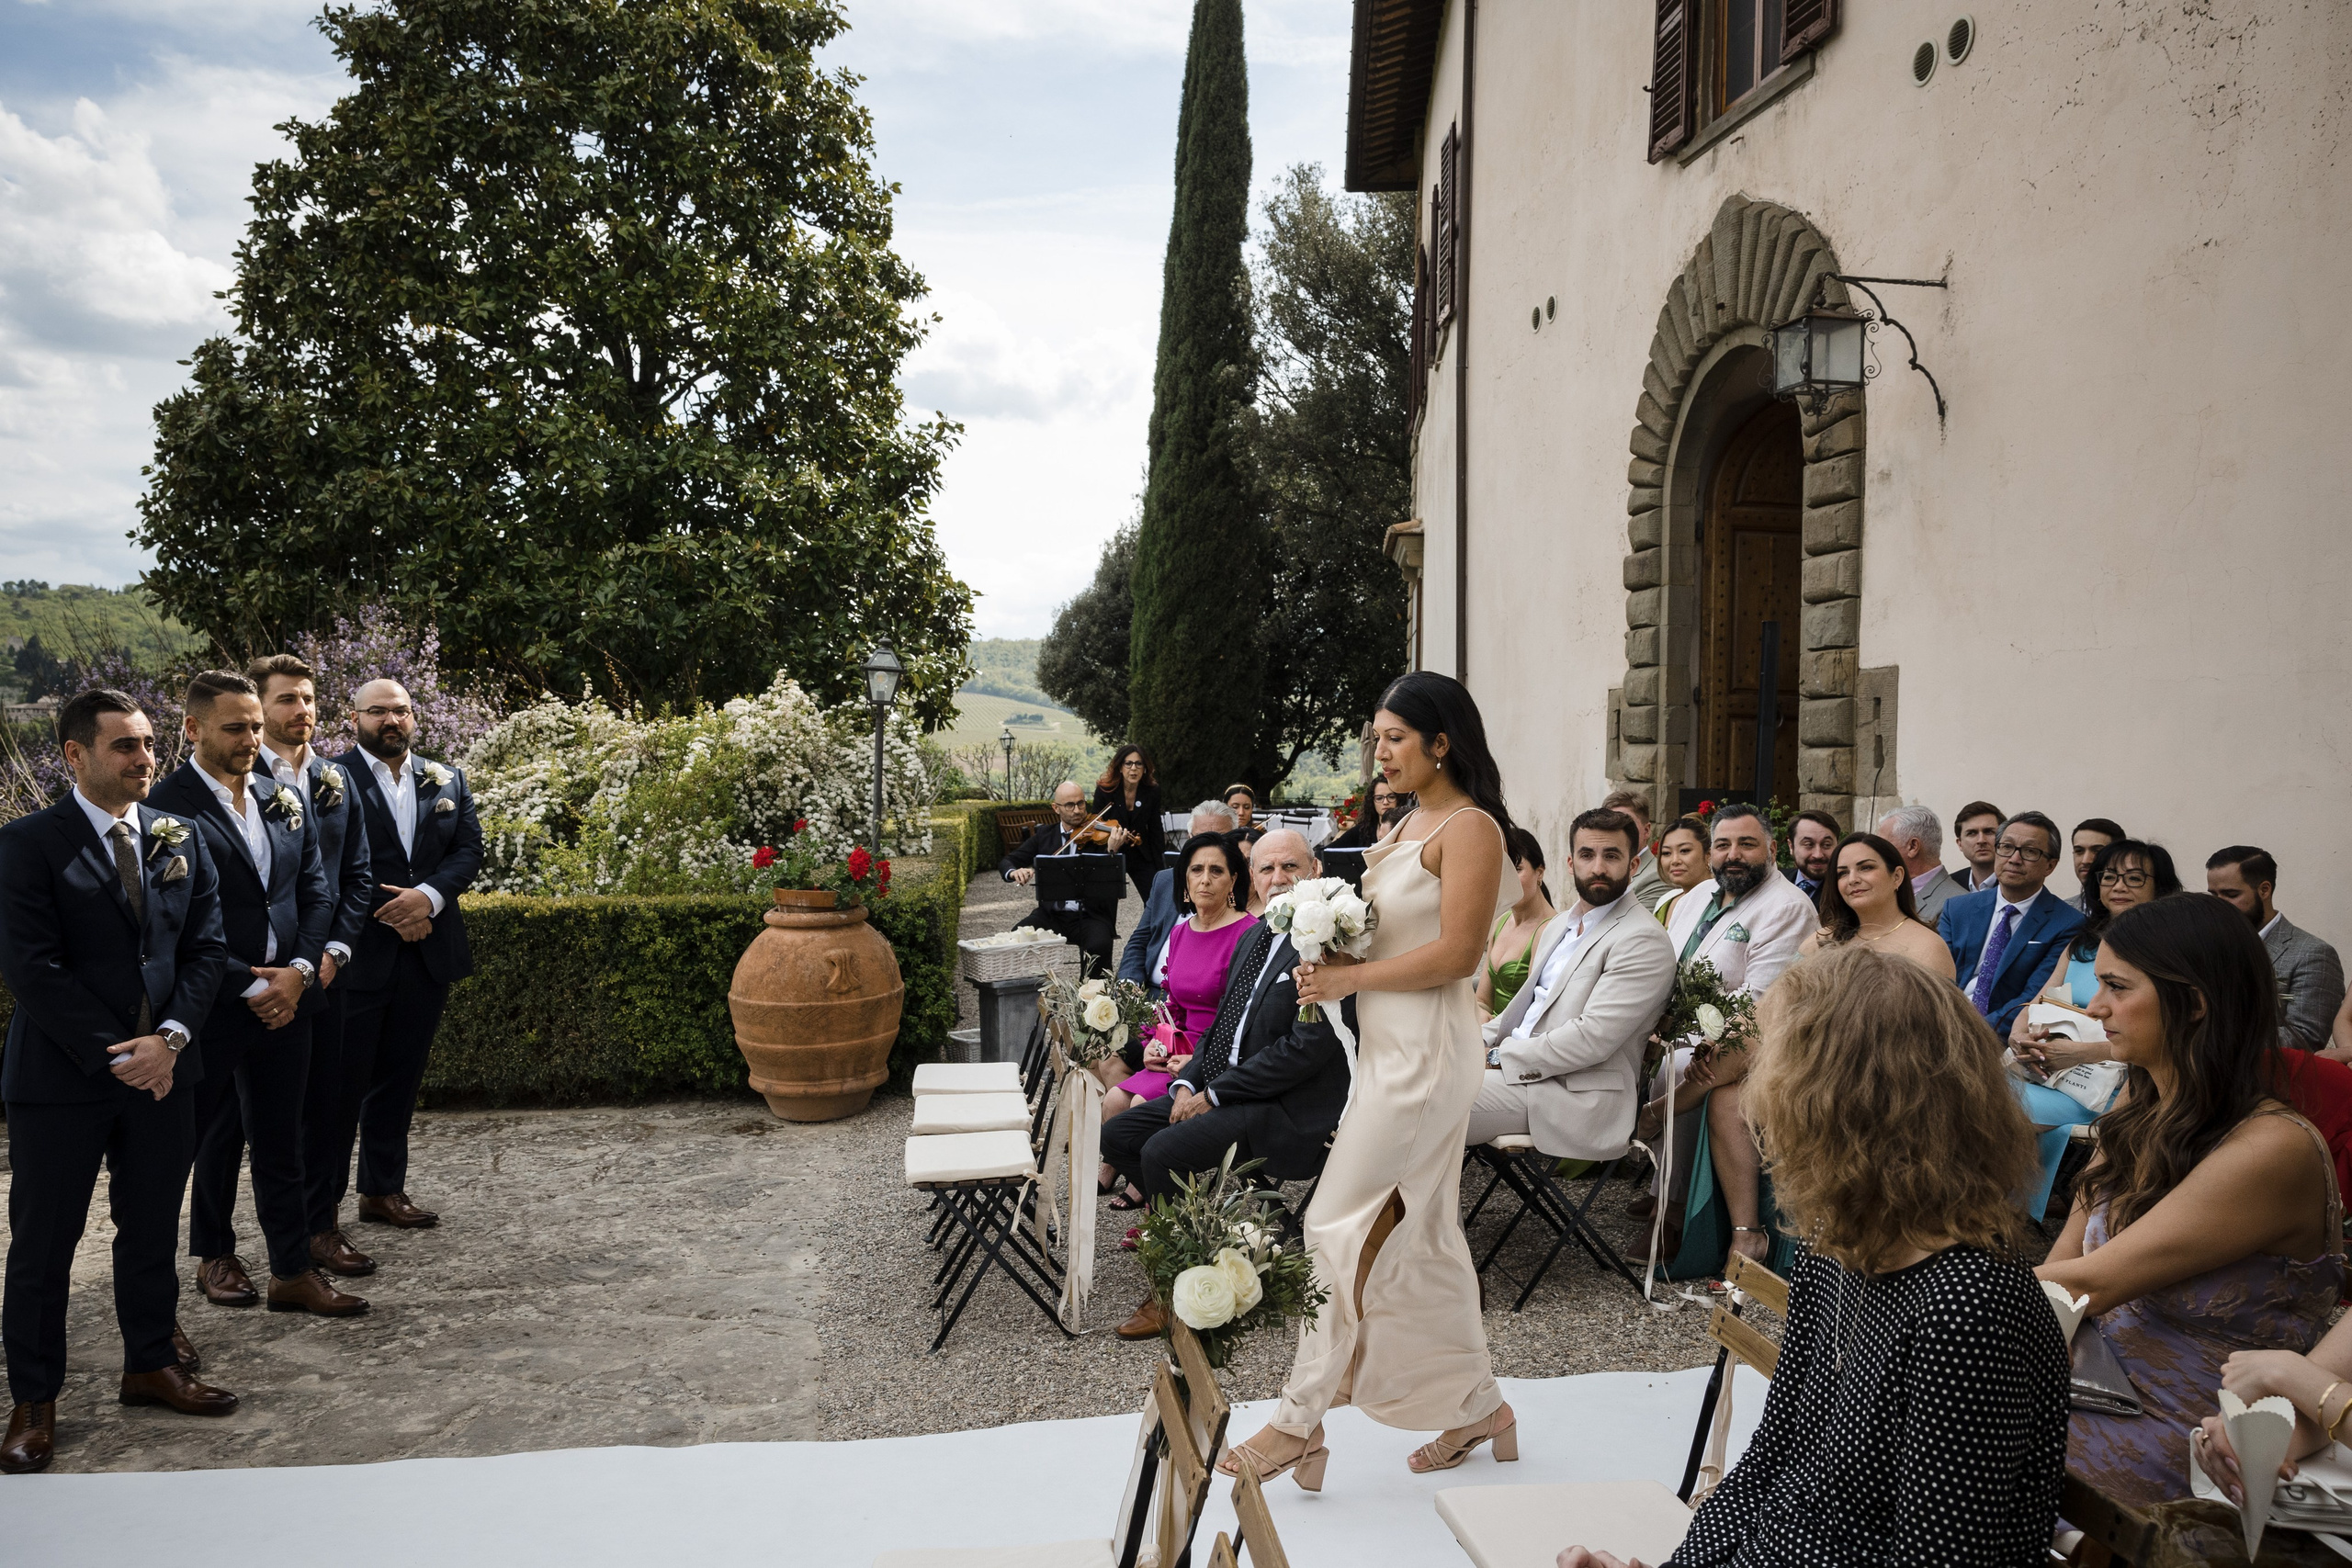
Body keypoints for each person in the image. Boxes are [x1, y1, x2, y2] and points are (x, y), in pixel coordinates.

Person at [1559, 948, 2069, 1568]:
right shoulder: (1840, 1248)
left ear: (1835, 1104)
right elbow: (1769, 1462)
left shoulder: (1968, 1310)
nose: (1752, 1101)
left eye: (1766, 1068)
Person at [1216, 672, 1519, 1489]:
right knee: (1425, 1235)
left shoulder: (1472, 828)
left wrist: (1357, 979)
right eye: (1375, 737)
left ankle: (1296, 1420)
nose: (1379, 751)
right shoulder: (1408, 821)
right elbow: (1396, 945)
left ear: (1440, 741)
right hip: (1387, 1052)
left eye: (1393, 736)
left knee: (1332, 1223)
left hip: (1428, 1057)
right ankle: (1481, 1404)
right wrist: (1338, 964)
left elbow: (1460, 954)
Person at [2039, 895, 2343, 1508]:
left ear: (2195, 1002)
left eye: (2117, 987)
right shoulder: (2141, 1102)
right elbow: (2063, 1265)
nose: (2095, 1009)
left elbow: (2093, 1281)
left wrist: (1940, 1289)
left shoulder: (2272, 1147)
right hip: (2094, 1382)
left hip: (2191, 1429)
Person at [0, 690, 235, 1474]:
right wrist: (119, 1051)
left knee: (150, 1230)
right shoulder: (26, 844)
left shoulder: (184, 835)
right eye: (126, 747)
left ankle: (148, 1364)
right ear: (76, 755)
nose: (145, 759)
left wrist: (167, 1041)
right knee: (44, 1245)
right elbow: (32, 969)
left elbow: (206, 950)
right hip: (61, 1079)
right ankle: (34, 1399)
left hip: (168, 1073)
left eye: (148, 744)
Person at [148, 672, 362, 1318]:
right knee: (203, 1142)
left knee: (280, 1140)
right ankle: (208, 1258)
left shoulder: (281, 796)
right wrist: (250, 979)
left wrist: (299, 968)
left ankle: (292, 1271)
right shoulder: (163, 806)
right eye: (235, 727)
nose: (250, 739)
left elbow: (314, 891)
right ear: (193, 728)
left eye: (254, 727)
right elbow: (171, 921)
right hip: (210, 1003)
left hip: (289, 997)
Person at [1102, 829, 1350, 1338]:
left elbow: (1305, 1049)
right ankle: (1206, 1241)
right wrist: (1187, 1086)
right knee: (1119, 1135)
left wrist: (1216, 1094)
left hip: (1282, 1104)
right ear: (1253, 879)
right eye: (1267, 869)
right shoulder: (1257, 934)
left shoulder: (1327, 946)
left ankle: (1172, 1288)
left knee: (1162, 1152)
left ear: (1315, 871)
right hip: (1226, 1085)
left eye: (1291, 867)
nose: (1278, 879)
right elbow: (1219, 1028)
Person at [326, 677, 484, 1235]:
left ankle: (382, 1191)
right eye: (377, 712)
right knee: (343, 1088)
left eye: (400, 711)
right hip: (359, 955)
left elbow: (470, 849)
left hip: (427, 957)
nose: (390, 721)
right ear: (355, 718)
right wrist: (399, 911)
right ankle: (321, 1215)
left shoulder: (447, 778)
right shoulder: (328, 779)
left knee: (400, 1080)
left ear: (414, 717)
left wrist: (430, 900)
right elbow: (323, 861)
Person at [250, 654, 379, 1280]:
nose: (301, 709)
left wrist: (332, 953)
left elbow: (355, 876)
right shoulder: (237, 778)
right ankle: (216, 1250)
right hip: (261, 971)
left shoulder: (334, 777)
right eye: (285, 700)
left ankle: (321, 1228)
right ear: (258, 709)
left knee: (328, 1102)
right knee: (238, 1120)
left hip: (329, 970)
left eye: (307, 698)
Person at [1645, 804, 1815, 1272]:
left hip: (1751, 1041)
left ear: (1772, 849)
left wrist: (1683, 1034)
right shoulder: (1698, 894)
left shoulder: (1788, 907)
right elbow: (1666, 968)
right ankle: (1644, 1174)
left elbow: (1758, 1000)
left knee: (1682, 1065)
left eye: (1747, 844)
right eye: (1723, 845)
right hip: (1677, 1027)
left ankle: (1675, 1211)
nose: (1733, 855)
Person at [1468, 808, 1677, 1151]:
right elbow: (1518, 1015)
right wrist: (1468, 1046)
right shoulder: (1558, 926)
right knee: (1401, 1088)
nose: (1598, 867)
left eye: (1611, 856)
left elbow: (1591, 1038)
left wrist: (1497, 1058)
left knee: (1425, 1108)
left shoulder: (1643, 939)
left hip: (1572, 1096)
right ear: (1570, 863)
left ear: (1634, 865)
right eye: (1587, 855)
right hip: (1516, 1073)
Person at [2007, 839, 2178, 1220]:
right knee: (1959, 1093)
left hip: (2114, 1087)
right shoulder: (2083, 945)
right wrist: (2020, 1036)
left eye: (2134, 878)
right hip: (2050, 1073)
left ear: (2159, 886)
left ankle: (1988, 1217)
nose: (2119, 887)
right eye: (2110, 877)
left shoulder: (2169, 953)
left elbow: (2169, 1034)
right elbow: (2036, 1004)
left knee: (1989, 1111)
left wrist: (2083, 1054)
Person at [1100, 833, 1253, 1156]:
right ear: (1184, 879)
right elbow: (1171, 1004)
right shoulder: (1181, 931)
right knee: (1114, 1099)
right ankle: (1130, 1172)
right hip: (1178, 1048)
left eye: (1216, 871)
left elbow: (1242, 1018)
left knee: (1141, 1102)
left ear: (1233, 879)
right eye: (1196, 870)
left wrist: (1196, 1059)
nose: (1205, 880)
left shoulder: (1248, 933)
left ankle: (1149, 1186)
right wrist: (1154, 1043)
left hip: (1217, 1051)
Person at [1939, 810, 2085, 1036]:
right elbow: (1938, 978)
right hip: (1943, 1022)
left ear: (2050, 865)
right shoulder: (1957, 909)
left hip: (1998, 1036)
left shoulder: (2067, 923)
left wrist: (1970, 1034)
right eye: (2006, 847)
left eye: (2029, 851)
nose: (2014, 859)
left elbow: (2032, 996)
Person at [2208, 844, 2345, 1051]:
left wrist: (2208, 1038)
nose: (2219, 905)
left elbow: (2304, 1038)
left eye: (2230, 894)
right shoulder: (2206, 945)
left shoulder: (2312, 954)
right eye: (2213, 895)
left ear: (2264, 890)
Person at [1001, 780, 1128, 976]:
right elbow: (1008, 860)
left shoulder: (1102, 835)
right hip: (1052, 915)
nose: (1077, 810)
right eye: (1070, 805)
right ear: (1056, 808)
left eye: (1081, 803)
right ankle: (1028, 994)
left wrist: (1112, 850)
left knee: (1098, 945)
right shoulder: (1044, 835)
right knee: (1016, 937)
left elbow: (1109, 880)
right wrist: (1014, 872)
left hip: (1091, 915)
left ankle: (1092, 999)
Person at [1793, 832, 1956, 978]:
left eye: (1866, 868)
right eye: (1843, 873)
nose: (1853, 879)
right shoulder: (1820, 940)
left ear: (1897, 877)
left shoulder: (1928, 947)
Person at [1116, 800, 1236, 997]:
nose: (1210, 849)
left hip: (1195, 1003)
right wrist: (1128, 982)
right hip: (1146, 992)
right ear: (1189, 840)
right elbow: (1140, 939)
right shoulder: (1166, 880)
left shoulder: (1237, 889)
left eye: (1220, 840)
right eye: (1201, 840)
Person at [1476, 827, 1555, 1020]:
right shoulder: (1500, 923)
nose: (1507, 879)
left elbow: (1535, 1011)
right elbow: (1483, 999)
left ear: (1540, 873)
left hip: (1519, 1039)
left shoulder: (1550, 929)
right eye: (1502, 870)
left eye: (1517, 869)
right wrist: (1480, 1016)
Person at [1091, 744, 1165, 904]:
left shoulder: (1152, 791)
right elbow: (1095, 824)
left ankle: (1153, 929)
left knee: (1156, 899)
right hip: (1112, 851)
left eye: (1139, 764)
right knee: (1106, 900)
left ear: (1145, 768)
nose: (1133, 769)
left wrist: (1161, 867)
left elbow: (1155, 828)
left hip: (1140, 851)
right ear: (1120, 767)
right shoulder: (1105, 790)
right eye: (1128, 763)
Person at [1875, 802, 1967, 928]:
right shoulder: (1886, 891)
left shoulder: (1957, 904)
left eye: (1884, 845)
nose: (1877, 853)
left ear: (1913, 847)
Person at [1600, 789, 1661, 910]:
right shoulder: (1600, 869)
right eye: (1610, 824)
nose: (1619, 831)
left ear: (1647, 830)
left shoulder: (1656, 877)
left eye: (1628, 825)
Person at [1647, 815, 1711, 926]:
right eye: (1667, 853)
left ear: (1708, 855)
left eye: (1684, 851)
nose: (1675, 860)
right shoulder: (1665, 902)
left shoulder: (1721, 904)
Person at [1327, 778, 1408, 849]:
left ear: (1399, 799)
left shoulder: (1408, 828)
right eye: (1379, 798)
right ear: (1372, 802)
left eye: (1391, 797)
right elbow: (1326, 851)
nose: (1385, 802)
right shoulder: (1363, 830)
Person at [2070, 817, 2127, 913]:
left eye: (2097, 851)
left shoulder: (2137, 908)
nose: (2085, 860)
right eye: (2079, 851)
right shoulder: (2063, 911)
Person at [1783, 809, 1839, 905]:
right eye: (1808, 844)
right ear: (1791, 846)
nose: (1818, 855)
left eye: (1826, 845)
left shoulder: (1844, 892)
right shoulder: (1775, 882)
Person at [1953, 799, 2006, 892]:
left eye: (1989, 831)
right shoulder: (1951, 884)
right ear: (1960, 843)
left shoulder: (2018, 884)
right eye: (1972, 833)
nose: (1981, 840)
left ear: (2004, 838)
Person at [1223, 783, 1263, 849]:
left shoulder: (1260, 834)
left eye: (1247, 807)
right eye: (1235, 807)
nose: (1241, 813)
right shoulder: (1218, 833)